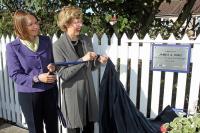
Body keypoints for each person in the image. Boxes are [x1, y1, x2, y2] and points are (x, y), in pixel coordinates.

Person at [53, 6, 108, 133]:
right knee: (74, 129)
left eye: (80, 21)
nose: (80, 24)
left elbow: (90, 67)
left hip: (88, 91)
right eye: (76, 22)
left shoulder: (86, 40)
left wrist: (98, 61)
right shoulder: (58, 46)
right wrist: (82, 59)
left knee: (90, 127)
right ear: (66, 23)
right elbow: (63, 74)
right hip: (72, 95)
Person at [6, 10, 58, 133]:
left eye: (36, 22)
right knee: (35, 129)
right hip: (29, 95)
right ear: (21, 26)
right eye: (31, 24)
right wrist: (37, 78)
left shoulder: (46, 40)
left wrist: (53, 67)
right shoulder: (13, 47)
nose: (36, 26)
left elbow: (55, 63)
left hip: (50, 91)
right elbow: (14, 74)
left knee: (53, 128)